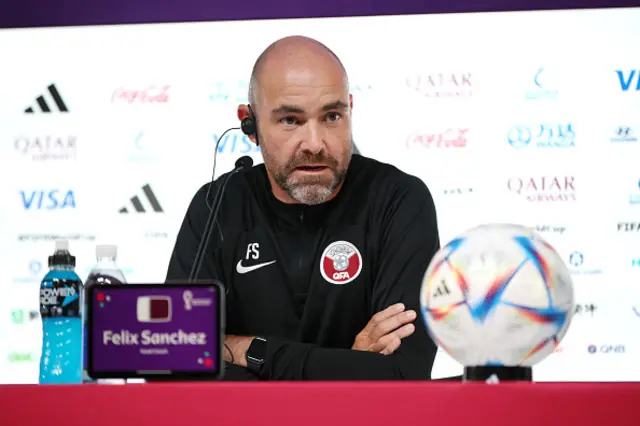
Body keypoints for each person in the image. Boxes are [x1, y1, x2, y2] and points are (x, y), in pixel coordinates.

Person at [165, 35, 441, 380]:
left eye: (331, 116)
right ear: (249, 124)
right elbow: (177, 363)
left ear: (350, 110)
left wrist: (245, 349)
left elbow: (403, 373)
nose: (314, 144)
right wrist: (347, 366)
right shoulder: (216, 206)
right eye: (291, 120)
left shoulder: (398, 200)